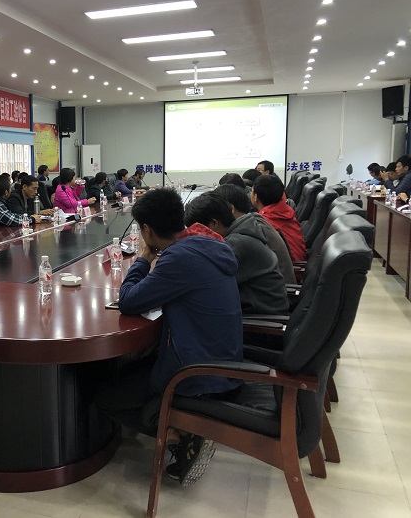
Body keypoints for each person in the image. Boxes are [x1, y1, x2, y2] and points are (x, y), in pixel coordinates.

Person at [95, 187, 243, 486]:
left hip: (198, 373)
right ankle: (181, 428)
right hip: (223, 360)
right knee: (129, 371)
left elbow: (129, 300)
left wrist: (143, 258)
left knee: (105, 397)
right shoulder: (206, 245)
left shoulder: (180, 258)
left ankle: (182, 434)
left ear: (147, 230)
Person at [184, 192, 289, 315]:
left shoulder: (235, 244)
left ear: (214, 224)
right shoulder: (244, 231)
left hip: (261, 318)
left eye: (196, 230)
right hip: (260, 308)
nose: (195, 236)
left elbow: (203, 282)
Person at [214, 184, 296, 284]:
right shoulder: (255, 220)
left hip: (284, 287)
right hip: (283, 284)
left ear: (231, 209)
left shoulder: (243, 236)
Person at [251, 175, 306, 261]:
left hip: (290, 266)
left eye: (251, 191)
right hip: (298, 262)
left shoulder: (263, 223)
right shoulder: (285, 210)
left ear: (255, 197)